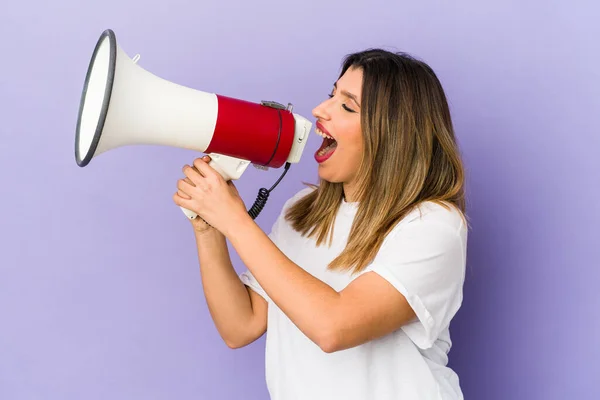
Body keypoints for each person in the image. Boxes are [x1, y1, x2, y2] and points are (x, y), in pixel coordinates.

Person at [172, 49, 468, 400]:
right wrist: (208, 228)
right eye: (332, 94)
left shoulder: (433, 226)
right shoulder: (303, 212)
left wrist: (234, 220)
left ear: (392, 134)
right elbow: (241, 326)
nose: (319, 110)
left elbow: (334, 327)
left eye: (347, 105)